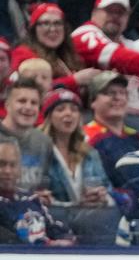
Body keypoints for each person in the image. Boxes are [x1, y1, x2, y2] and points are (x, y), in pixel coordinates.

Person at [41, 88, 123, 245]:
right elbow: (36, 197)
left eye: (74, 109)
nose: (68, 114)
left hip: (90, 226)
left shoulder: (90, 153)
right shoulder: (39, 152)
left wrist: (102, 196)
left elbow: (108, 189)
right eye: (60, 109)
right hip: (54, 228)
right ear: (49, 117)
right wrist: (76, 204)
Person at [0, 137, 75, 246]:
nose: (7, 171)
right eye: (1, 164)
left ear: (20, 169)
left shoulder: (31, 199)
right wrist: (48, 244)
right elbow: (11, 240)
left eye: (12, 165)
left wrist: (66, 240)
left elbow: (56, 229)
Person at [10, 2, 100, 94]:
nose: (52, 29)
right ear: (34, 29)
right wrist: (74, 81)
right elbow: (32, 90)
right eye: (45, 23)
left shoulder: (70, 56)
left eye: (57, 23)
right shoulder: (23, 53)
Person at [0, 77, 54, 195]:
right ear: (7, 105)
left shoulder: (44, 142)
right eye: (22, 101)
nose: (28, 107)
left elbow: (45, 185)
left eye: (34, 103)